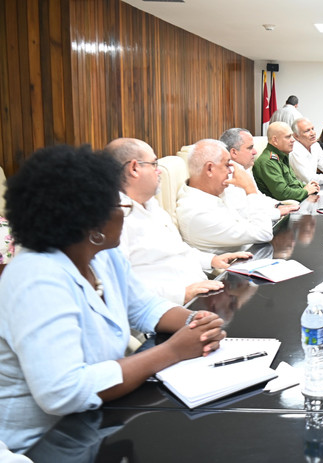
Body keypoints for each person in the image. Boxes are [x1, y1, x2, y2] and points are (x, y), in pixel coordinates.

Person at [0, 145, 226, 451]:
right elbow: (64, 391)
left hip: (98, 423)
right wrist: (172, 350)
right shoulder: (36, 277)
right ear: (91, 221)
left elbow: (144, 306)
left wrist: (193, 322)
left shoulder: (100, 255)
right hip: (43, 445)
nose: (125, 212)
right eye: (119, 206)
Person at [105, 137, 251, 306]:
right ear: (135, 168)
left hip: (202, 295)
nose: (158, 171)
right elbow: (122, 287)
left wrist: (212, 260)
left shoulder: (151, 205)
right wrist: (182, 294)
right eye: (154, 164)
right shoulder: (116, 221)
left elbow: (177, 250)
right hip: (170, 309)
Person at [176, 139, 274, 253]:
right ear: (209, 169)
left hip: (253, 252)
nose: (231, 171)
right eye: (227, 165)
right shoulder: (197, 212)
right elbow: (264, 233)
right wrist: (250, 189)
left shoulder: (212, 191)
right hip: (235, 266)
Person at [218, 128, 297, 220]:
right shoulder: (229, 174)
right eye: (250, 148)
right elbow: (242, 213)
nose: (255, 152)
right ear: (234, 152)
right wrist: (277, 212)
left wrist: (278, 205)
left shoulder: (243, 168)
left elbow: (259, 197)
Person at [253, 121, 320, 202]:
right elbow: (282, 193)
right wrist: (306, 191)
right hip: (280, 208)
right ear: (275, 140)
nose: (293, 140)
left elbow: (293, 183)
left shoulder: (282, 156)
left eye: (292, 136)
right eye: (288, 137)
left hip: (294, 202)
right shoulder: (268, 161)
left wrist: (310, 187)